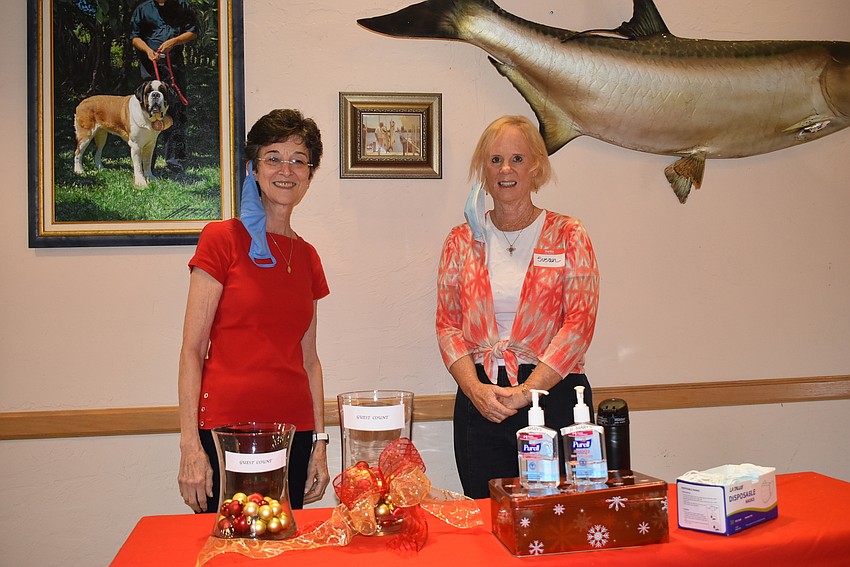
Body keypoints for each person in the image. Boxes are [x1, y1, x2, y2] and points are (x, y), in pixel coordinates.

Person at [436, 115, 600, 499]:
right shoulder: (461, 241)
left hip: (556, 397)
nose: (505, 169)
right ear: (483, 170)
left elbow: (578, 325)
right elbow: (447, 326)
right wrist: (475, 389)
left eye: (517, 159)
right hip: (482, 400)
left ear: (536, 167)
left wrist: (529, 391)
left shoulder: (568, 233)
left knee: (559, 522)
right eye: (495, 160)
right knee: (489, 523)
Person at [177, 109, 330, 513]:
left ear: (309, 175)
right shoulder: (221, 239)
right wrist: (190, 445)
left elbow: (309, 361)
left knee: (283, 548)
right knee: (230, 549)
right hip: (225, 433)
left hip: (293, 435)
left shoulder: (308, 256)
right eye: (273, 157)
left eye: (299, 160)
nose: (287, 169)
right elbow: (192, 350)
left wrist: (319, 444)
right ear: (254, 168)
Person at [130, 0, 199, 174]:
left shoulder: (182, 6)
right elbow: (135, 37)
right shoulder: (143, 9)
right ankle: (148, 163)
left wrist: (174, 42)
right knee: (147, 114)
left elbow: (192, 32)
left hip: (174, 68)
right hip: (150, 68)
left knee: (176, 113)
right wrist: (147, 50)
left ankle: (175, 162)